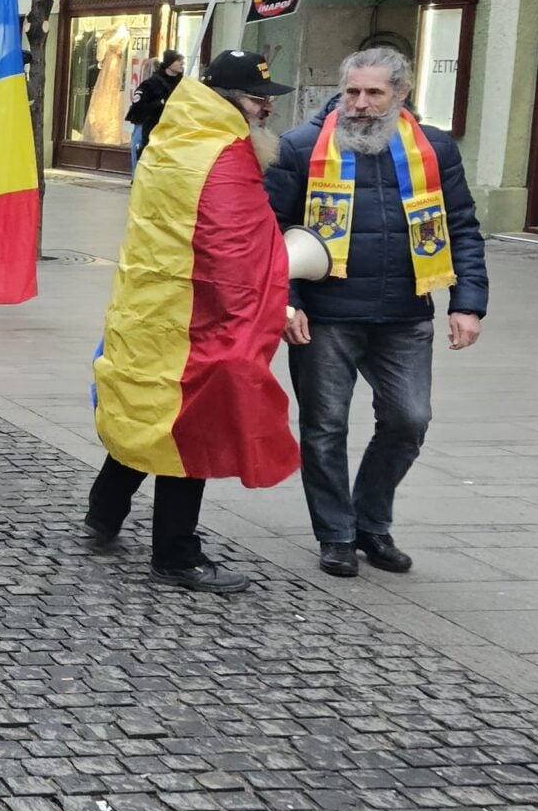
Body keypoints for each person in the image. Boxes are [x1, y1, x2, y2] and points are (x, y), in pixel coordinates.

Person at [266, 45, 488, 578]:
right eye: (352, 92)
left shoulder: (435, 150)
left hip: (405, 313)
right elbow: (268, 233)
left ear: (401, 95)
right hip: (325, 316)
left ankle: (371, 520)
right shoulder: (298, 148)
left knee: (409, 420)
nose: (360, 104)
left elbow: (461, 225)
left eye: (374, 93)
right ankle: (337, 534)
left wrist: (468, 303)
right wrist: (285, 299)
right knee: (325, 427)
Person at [91, 55, 302, 595]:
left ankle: (103, 514)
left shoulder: (174, 138)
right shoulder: (223, 153)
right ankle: (177, 555)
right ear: (228, 100)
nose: (267, 105)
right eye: (258, 98)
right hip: (198, 319)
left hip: (153, 309)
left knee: (149, 415)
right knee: (191, 429)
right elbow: (233, 254)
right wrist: (264, 307)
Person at [126, 49, 186, 167]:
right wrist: (160, 103)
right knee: (145, 156)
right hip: (151, 126)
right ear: (170, 63)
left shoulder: (183, 84)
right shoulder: (152, 83)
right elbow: (138, 105)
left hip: (173, 126)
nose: (181, 64)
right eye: (178, 61)